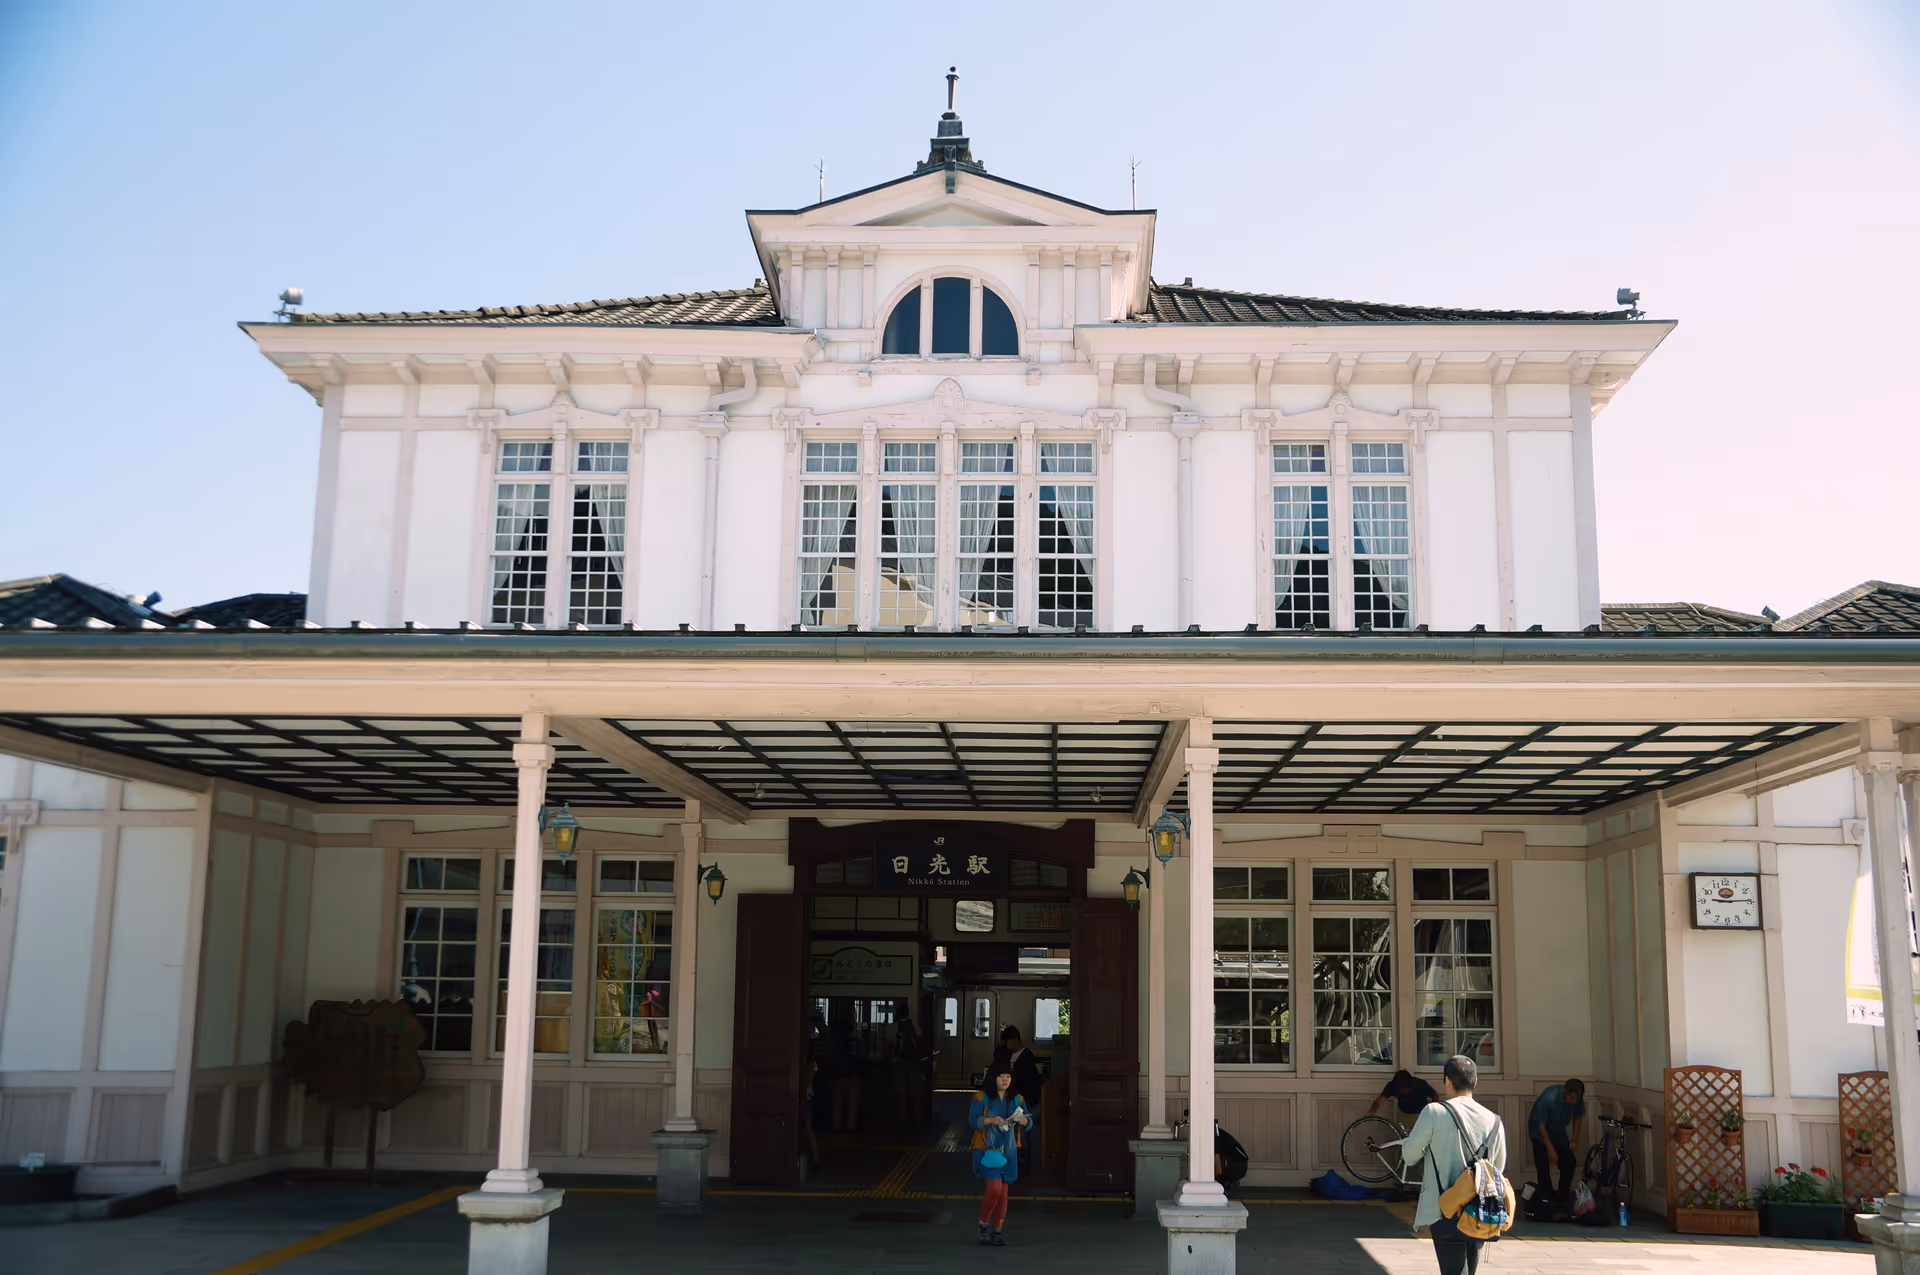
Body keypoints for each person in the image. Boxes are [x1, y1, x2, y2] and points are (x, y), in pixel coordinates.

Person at [1400, 1055, 1507, 1275]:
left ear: (1447, 1081)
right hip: (1480, 1209)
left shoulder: (1434, 1112)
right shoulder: (1494, 1120)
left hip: (1444, 1208)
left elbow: (1409, 1155)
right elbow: (1499, 1169)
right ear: (1475, 1082)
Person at [969, 1065, 1032, 1247]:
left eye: (1008, 1077)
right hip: (987, 1149)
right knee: (995, 1189)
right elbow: (973, 1121)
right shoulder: (982, 1098)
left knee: (1003, 1194)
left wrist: (1024, 1120)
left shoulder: (1017, 1099)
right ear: (992, 1078)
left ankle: (997, 1229)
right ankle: (983, 1224)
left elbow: (1029, 1122)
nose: (1005, 1080)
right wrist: (990, 1120)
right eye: (1001, 1076)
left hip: (1009, 1151)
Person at [1527, 1078, 1585, 1204]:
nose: (1573, 1103)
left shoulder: (1577, 1098)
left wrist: (1574, 1139)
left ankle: (1561, 1196)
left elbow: (1578, 1117)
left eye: (1576, 1101)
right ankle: (1546, 1197)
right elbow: (1541, 1126)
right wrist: (1551, 1150)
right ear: (1565, 1092)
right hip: (1539, 1133)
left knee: (1569, 1161)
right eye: (1572, 1099)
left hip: (1558, 1131)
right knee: (1542, 1165)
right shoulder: (1549, 1097)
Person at [989, 1025, 1045, 1112]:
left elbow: (1022, 1078)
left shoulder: (1026, 1055)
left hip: (1024, 1095)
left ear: (1014, 1040)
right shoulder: (1006, 1054)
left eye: (1007, 1042)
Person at [1367, 1068, 1440, 1124]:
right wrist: (1371, 1112)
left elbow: (1435, 1095)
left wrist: (1432, 1112)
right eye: (1401, 1091)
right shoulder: (1392, 1086)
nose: (1403, 1092)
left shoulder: (1420, 1084)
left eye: (1406, 1090)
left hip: (1421, 1114)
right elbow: (1379, 1101)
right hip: (1403, 1114)